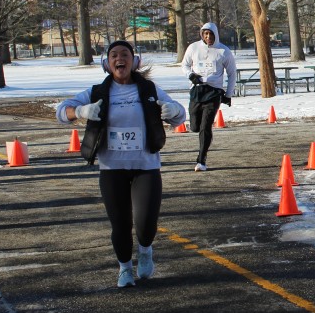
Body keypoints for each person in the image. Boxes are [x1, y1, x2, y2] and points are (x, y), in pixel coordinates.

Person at [57, 40, 186, 288]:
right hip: (112, 168)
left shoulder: (149, 89)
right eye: (114, 55)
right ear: (107, 64)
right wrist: (81, 112)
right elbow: (62, 111)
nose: (120, 59)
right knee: (120, 224)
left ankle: (145, 250)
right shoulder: (97, 92)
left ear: (134, 61)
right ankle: (125, 269)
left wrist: (173, 111)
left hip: (145, 166)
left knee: (146, 223)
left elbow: (179, 115)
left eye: (125, 54)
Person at [181, 22, 237, 172]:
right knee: (195, 126)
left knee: (205, 127)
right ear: (202, 34)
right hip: (197, 90)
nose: (208, 37)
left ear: (215, 35)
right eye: (205, 34)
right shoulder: (193, 48)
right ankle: (197, 131)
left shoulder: (223, 51)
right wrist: (191, 75)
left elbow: (232, 74)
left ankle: (201, 160)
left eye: (211, 34)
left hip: (214, 92)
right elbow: (184, 65)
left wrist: (228, 94)